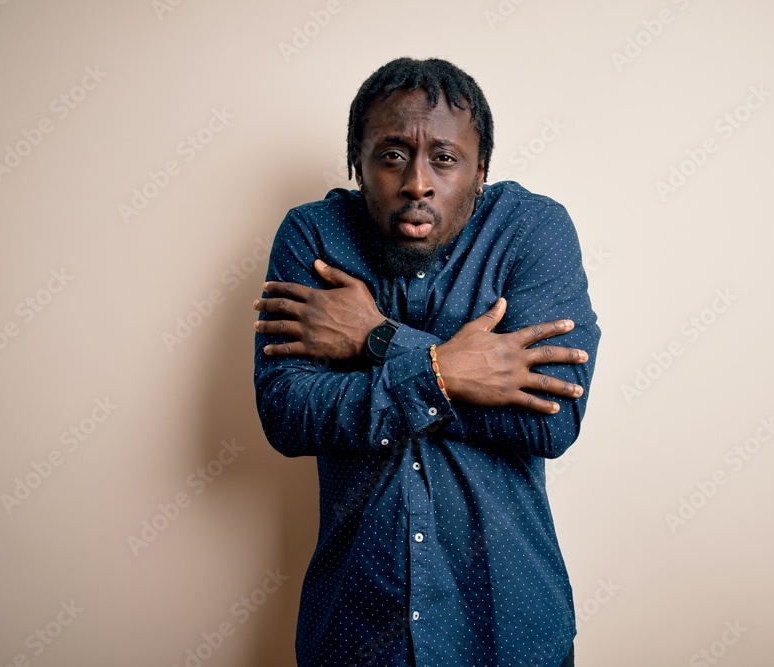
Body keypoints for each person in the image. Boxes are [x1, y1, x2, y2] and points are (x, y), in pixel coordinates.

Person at [253, 57, 599, 667]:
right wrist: (456, 372)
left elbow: (551, 418)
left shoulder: (532, 231)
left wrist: (379, 340)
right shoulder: (313, 238)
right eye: (391, 155)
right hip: (357, 629)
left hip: (508, 626)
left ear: (480, 169)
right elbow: (287, 413)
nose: (417, 181)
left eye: (444, 157)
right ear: (357, 164)